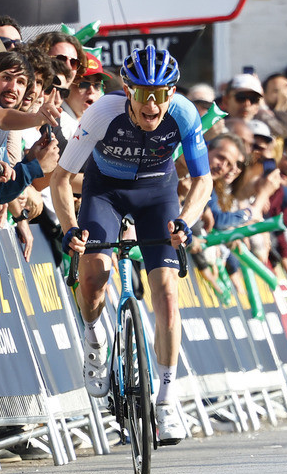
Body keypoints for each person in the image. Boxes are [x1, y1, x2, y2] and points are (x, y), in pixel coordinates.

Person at [50, 46, 213, 445]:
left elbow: (203, 182)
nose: (152, 104)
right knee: (94, 277)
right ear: (127, 90)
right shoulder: (103, 112)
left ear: (173, 93)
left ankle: (167, 400)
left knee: (168, 298)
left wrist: (184, 223)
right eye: (143, 93)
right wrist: (71, 227)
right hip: (105, 192)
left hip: (157, 195)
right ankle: (94, 339)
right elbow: (60, 178)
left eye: (162, 93)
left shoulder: (185, 115)